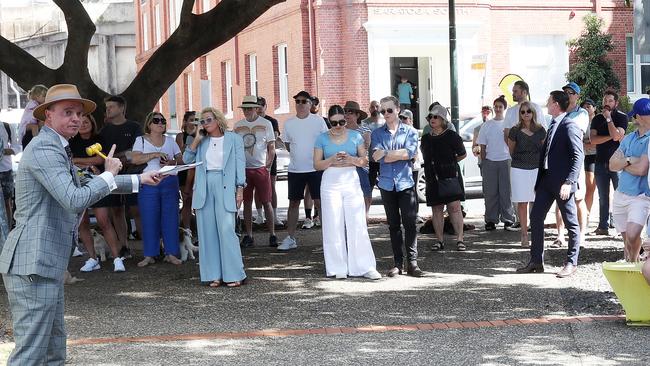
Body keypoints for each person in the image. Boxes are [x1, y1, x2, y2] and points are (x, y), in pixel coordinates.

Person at [0, 84, 160, 365]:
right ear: (47, 115)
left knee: (53, 352)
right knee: (31, 354)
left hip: (42, 262)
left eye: (79, 113)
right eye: (67, 112)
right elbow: (74, 199)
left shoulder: (56, 147)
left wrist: (139, 180)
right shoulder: (45, 149)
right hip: (33, 263)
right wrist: (109, 174)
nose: (76, 118)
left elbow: (86, 184)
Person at [517, 90, 584, 278]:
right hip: (546, 181)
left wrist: (570, 181)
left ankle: (571, 262)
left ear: (556, 105)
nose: (546, 104)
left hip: (562, 183)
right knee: (536, 217)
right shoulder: (553, 124)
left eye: (549, 101)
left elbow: (578, 156)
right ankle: (536, 261)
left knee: (571, 222)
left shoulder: (569, 125)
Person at [313, 105, 381, 280]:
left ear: (346, 120)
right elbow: (316, 165)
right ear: (328, 121)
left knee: (357, 222)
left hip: (351, 178)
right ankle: (337, 267)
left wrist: (351, 159)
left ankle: (364, 266)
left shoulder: (355, 136)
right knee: (332, 224)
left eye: (341, 122)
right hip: (330, 181)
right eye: (333, 122)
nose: (337, 126)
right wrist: (331, 160)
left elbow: (364, 160)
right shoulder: (321, 138)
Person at [183, 107, 247, 287]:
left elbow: (240, 164)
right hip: (204, 185)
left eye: (208, 120)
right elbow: (187, 160)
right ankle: (214, 275)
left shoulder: (234, 139)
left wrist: (240, 188)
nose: (205, 124)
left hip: (225, 185)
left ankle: (235, 274)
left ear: (218, 120)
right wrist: (196, 140)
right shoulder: (201, 141)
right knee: (206, 232)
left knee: (227, 230)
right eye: (202, 121)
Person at [370, 96, 422, 277]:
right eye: (382, 111)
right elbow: (376, 157)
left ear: (398, 109)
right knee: (393, 225)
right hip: (386, 184)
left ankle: (413, 263)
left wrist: (386, 153)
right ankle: (398, 263)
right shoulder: (377, 133)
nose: (386, 114)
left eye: (389, 110)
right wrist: (395, 154)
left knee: (410, 223)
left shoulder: (410, 131)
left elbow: (410, 153)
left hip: (405, 183)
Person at [70, 114, 126, 272]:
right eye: (80, 122)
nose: (83, 124)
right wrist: (82, 161)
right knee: (83, 223)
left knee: (103, 221)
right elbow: (69, 161)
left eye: (86, 121)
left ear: (92, 123)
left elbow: (100, 160)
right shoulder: (71, 141)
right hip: (78, 185)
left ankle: (116, 258)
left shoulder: (100, 138)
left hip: (99, 182)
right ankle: (92, 258)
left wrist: (77, 161)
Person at [131, 111, 184, 267]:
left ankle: (171, 253)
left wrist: (170, 161)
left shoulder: (170, 141)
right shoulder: (140, 140)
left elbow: (181, 160)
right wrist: (155, 154)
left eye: (163, 120)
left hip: (169, 181)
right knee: (148, 218)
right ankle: (149, 254)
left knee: (171, 218)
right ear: (149, 124)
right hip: (149, 182)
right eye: (156, 120)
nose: (160, 122)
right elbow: (134, 159)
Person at [278, 91, 328, 250]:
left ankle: (328, 240)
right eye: (297, 101)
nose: (300, 104)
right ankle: (290, 238)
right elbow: (287, 144)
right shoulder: (289, 123)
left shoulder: (319, 121)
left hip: (315, 168)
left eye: (303, 101)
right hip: (295, 170)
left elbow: (326, 142)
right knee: (293, 203)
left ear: (310, 104)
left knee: (320, 203)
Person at [100, 95, 144, 257]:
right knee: (116, 211)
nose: (108, 110)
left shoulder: (134, 127)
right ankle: (124, 247)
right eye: (107, 107)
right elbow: (104, 156)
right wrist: (123, 156)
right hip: (112, 175)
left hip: (134, 173)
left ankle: (149, 249)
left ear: (121, 108)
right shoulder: (104, 131)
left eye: (111, 106)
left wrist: (118, 158)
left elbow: (136, 152)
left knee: (137, 209)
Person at [607, 98, 650, 262]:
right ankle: (632, 264)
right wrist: (631, 159)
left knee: (632, 236)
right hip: (621, 194)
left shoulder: (649, 139)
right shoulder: (629, 138)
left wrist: (623, 163)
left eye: (634, 116)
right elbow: (612, 164)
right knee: (627, 241)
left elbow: (641, 170)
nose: (633, 119)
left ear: (638, 116)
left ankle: (633, 262)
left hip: (640, 196)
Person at [421, 104, 467, 251]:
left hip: (450, 176)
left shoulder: (452, 136)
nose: (432, 119)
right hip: (432, 177)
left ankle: (460, 239)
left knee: (454, 208)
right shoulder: (426, 138)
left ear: (443, 119)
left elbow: (462, 154)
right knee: (437, 209)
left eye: (435, 117)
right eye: (430, 117)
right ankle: (439, 240)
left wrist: (450, 163)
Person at [233, 96, 277, 248]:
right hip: (243, 169)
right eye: (245, 108)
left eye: (250, 108)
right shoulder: (238, 125)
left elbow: (271, 147)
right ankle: (249, 235)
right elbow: (233, 148)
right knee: (246, 203)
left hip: (260, 168)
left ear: (256, 108)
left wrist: (268, 165)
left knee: (266, 201)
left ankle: (272, 234)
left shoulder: (266, 124)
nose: (247, 111)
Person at [552, 82, 590, 248]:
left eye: (571, 92)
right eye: (565, 92)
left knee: (578, 197)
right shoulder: (558, 111)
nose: (568, 95)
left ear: (577, 96)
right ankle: (560, 235)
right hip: (559, 159)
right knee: (558, 197)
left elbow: (576, 131)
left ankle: (582, 234)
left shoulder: (581, 113)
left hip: (574, 159)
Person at [507, 101, 547, 247]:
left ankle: (536, 233)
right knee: (522, 202)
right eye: (522, 112)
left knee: (537, 202)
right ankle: (524, 234)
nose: (526, 114)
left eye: (528, 111)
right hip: (519, 168)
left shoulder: (541, 130)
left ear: (533, 112)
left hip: (536, 168)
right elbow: (511, 150)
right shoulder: (514, 130)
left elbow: (544, 150)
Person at [590, 90, 628, 236]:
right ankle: (603, 226)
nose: (607, 103)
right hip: (600, 162)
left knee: (621, 195)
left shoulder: (621, 117)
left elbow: (618, 136)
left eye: (610, 100)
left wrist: (608, 120)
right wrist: (610, 136)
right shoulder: (596, 119)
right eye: (605, 100)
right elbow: (593, 140)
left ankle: (622, 228)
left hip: (617, 163)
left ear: (616, 103)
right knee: (602, 196)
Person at [478, 96, 515, 231]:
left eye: (500, 106)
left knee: (506, 192)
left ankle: (508, 219)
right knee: (490, 192)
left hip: (506, 160)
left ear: (504, 108)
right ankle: (491, 219)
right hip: (490, 161)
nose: (498, 109)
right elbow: (482, 145)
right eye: (496, 106)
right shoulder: (487, 125)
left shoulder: (508, 124)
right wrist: (484, 161)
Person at [256, 96, 283, 226]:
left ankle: (275, 215)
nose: (259, 108)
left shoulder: (272, 121)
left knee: (271, 185)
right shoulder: (250, 122)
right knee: (257, 187)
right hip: (255, 158)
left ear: (265, 106)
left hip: (269, 156)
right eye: (256, 105)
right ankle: (260, 215)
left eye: (261, 105)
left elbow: (275, 137)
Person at [343, 100, 373, 214]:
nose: (346, 115)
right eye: (345, 112)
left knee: (366, 196)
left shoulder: (364, 129)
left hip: (361, 167)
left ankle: (364, 219)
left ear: (357, 115)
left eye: (350, 112)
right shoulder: (340, 130)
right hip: (344, 168)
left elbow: (365, 148)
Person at [176, 111, 197, 234]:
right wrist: (190, 142)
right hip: (185, 170)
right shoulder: (180, 136)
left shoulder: (202, 134)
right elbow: (181, 152)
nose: (194, 122)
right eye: (191, 119)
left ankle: (200, 230)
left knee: (198, 201)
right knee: (187, 200)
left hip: (197, 170)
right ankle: (187, 229)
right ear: (185, 122)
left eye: (196, 119)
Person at [580, 98, 598, 222]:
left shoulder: (599, 121)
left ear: (594, 108)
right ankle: (586, 215)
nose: (586, 108)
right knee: (590, 187)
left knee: (605, 189)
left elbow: (597, 142)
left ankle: (609, 216)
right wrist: (590, 142)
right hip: (588, 157)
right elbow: (579, 141)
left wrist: (590, 142)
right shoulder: (582, 122)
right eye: (584, 107)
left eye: (589, 106)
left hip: (601, 156)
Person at [19, 84, 48, 149]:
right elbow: (36, 112)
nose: (46, 98)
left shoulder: (35, 104)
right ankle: (36, 140)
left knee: (36, 126)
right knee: (34, 127)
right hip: (26, 125)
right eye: (44, 96)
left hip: (30, 124)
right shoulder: (33, 103)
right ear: (37, 96)